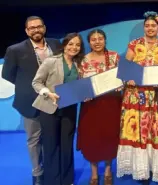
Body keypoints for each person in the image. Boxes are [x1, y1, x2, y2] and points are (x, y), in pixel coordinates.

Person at [1, 16, 61, 185]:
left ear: (44, 28)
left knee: (52, 136)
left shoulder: (56, 44)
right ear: (27, 31)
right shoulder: (15, 50)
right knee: (34, 139)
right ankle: (37, 173)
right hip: (30, 102)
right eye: (32, 28)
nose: (36, 30)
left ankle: (52, 168)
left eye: (39, 26)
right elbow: (8, 74)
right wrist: (28, 88)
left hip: (54, 100)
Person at [116, 11, 158, 183]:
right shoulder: (134, 44)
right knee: (136, 129)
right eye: (147, 25)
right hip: (135, 95)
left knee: (154, 130)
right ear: (144, 27)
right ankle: (139, 169)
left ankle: (155, 167)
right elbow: (126, 67)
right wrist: (128, 78)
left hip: (155, 95)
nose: (150, 28)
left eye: (153, 25)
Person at [32, 32, 85, 185]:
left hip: (69, 108)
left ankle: (67, 179)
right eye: (71, 44)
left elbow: (81, 85)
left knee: (67, 144)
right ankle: (52, 181)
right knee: (50, 145)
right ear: (64, 45)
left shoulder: (79, 63)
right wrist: (48, 93)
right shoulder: (51, 61)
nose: (74, 47)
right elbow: (36, 83)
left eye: (77, 45)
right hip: (49, 108)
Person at [76, 29, 122, 185]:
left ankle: (108, 171)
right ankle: (94, 174)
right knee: (92, 139)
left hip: (111, 104)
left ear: (105, 40)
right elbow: (78, 82)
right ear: (89, 42)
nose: (97, 42)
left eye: (100, 38)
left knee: (109, 136)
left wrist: (120, 85)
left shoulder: (114, 56)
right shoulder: (82, 59)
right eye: (93, 39)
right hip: (90, 106)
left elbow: (122, 77)